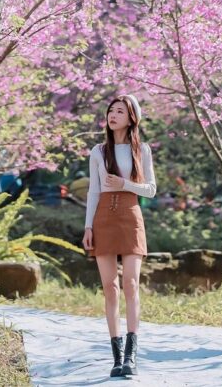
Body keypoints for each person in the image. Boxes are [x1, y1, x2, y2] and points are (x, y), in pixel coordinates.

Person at [82, 94, 156, 379]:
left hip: (131, 216)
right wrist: (88, 227)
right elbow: (93, 191)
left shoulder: (143, 150)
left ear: (131, 117)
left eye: (120, 111)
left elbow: (151, 189)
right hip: (103, 217)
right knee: (110, 287)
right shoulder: (98, 151)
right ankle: (116, 358)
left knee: (131, 283)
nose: (113, 115)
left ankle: (131, 356)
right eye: (111, 111)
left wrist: (124, 183)